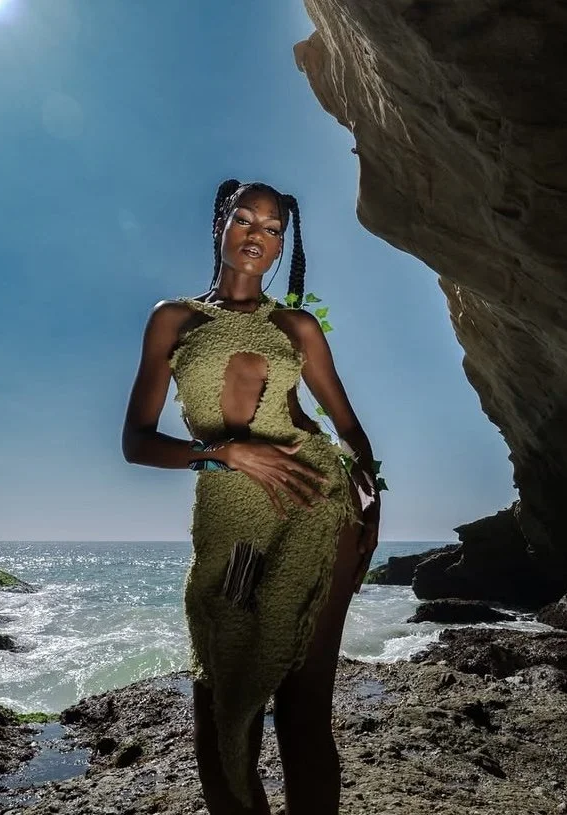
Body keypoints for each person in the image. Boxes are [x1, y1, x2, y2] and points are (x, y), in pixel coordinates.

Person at [122, 178, 381, 814]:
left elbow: (349, 429)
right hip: (233, 525)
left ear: (281, 245)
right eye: (245, 220)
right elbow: (137, 442)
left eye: (272, 229)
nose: (256, 236)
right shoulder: (174, 319)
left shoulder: (296, 326)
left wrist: (371, 501)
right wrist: (225, 453)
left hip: (317, 506)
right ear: (220, 225)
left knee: (303, 704)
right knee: (222, 693)